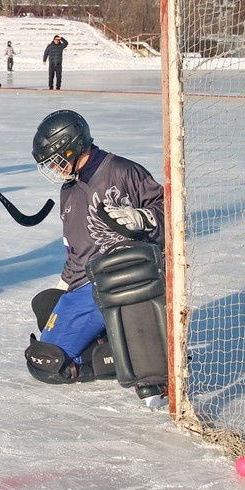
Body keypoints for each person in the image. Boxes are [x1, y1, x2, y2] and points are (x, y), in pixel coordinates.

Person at [27, 110, 168, 407]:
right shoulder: (69, 190)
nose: (53, 166)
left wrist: (143, 217)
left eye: (54, 157)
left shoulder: (123, 171)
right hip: (84, 286)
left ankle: (141, 355)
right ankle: (115, 341)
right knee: (44, 349)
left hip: (125, 282)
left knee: (53, 363)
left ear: (72, 146)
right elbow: (75, 247)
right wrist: (65, 282)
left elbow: (169, 212)